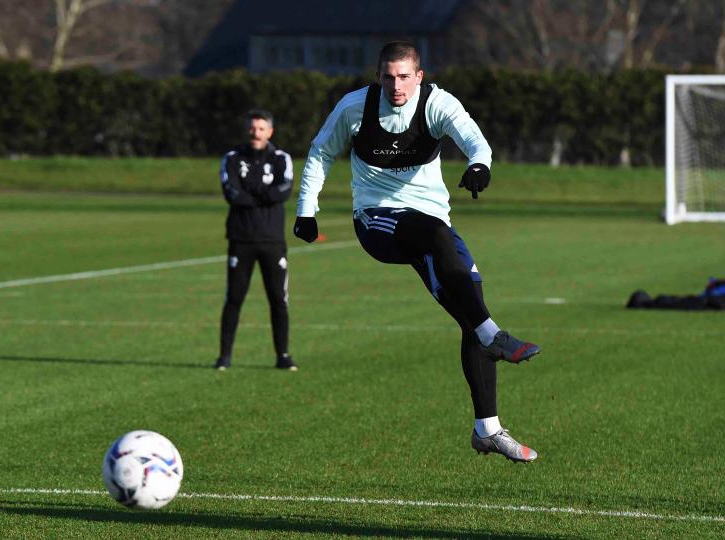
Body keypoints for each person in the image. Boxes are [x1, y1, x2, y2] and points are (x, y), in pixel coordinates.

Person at [292, 42, 541, 462]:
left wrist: (479, 167)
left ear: (419, 76)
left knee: (470, 305)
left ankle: (488, 429)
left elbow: (477, 143)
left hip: (432, 225)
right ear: (378, 77)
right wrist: (306, 210)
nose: (396, 85)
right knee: (439, 245)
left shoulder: (438, 104)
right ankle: (493, 335)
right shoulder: (355, 108)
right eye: (388, 77)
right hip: (377, 219)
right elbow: (320, 151)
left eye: (404, 76)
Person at [215, 109, 297, 371]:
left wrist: (252, 191)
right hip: (241, 239)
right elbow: (232, 193)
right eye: (252, 128)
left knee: (278, 298)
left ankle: (283, 356)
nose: (256, 133)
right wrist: (262, 194)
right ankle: (224, 357)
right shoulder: (232, 158)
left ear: (270, 132)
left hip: (273, 241)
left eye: (261, 129)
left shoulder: (281, 158)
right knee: (234, 298)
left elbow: (283, 191)